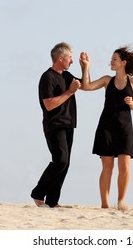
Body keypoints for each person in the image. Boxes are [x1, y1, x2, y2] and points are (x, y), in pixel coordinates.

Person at [79, 46, 133, 210]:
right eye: (111, 59)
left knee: (125, 166)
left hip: (125, 128)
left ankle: (120, 201)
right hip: (106, 126)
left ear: (123, 63)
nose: (111, 62)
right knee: (107, 167)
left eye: (114, 60)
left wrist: (130, 102)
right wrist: (85, 67)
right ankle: (105, 205)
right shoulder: (107, 80)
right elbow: (87, 86)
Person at [31, 42, 84, 208]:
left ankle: (53, 201)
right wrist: (69, 92)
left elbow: (86, 85)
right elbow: (48, 104)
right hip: (54, 124)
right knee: (60, 160)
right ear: (60, 58)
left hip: (69, 123)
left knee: (65, 163)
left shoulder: (67, 76)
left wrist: (85, 67)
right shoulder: (47, 77)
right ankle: (38, 193)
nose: (72, 61)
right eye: (70, 58)